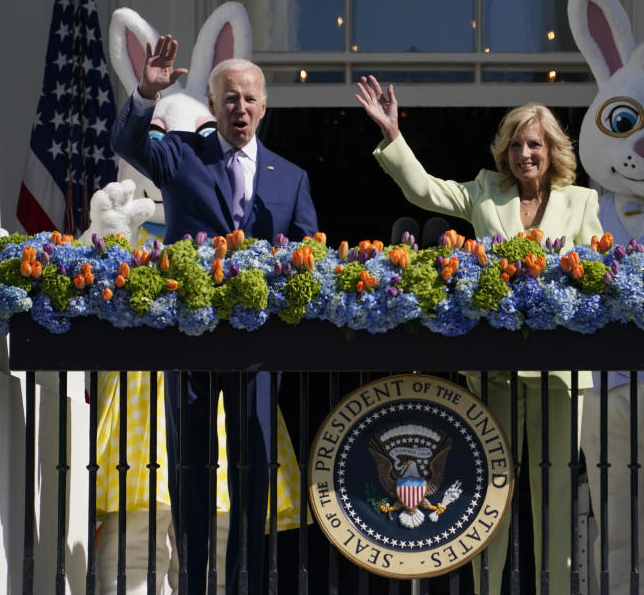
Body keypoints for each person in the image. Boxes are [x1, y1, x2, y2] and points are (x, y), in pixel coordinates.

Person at [356, 76, 603, 594]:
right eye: (515, 145)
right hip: (494, 370)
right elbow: (423, 190)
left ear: (552, 149)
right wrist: (392, 134)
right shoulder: (486, 192)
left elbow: (594, 274)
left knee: (557, 497)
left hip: (558, 374)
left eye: (534, 144)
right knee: (488, 496)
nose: (524, 154)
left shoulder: (581, 202)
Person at [112, 34, 318, 594]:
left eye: (250, 99)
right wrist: (147, 94)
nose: (241, 108)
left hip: (256, 353)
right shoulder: (180, 155)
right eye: (229, 98)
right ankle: (195, 587)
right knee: (190, 473)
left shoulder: (291, 176)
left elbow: (311, 261)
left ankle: (245, 586)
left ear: (265, 105)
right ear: (212, 103)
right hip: (191, 342)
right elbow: (130, 141)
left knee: (252, 476)